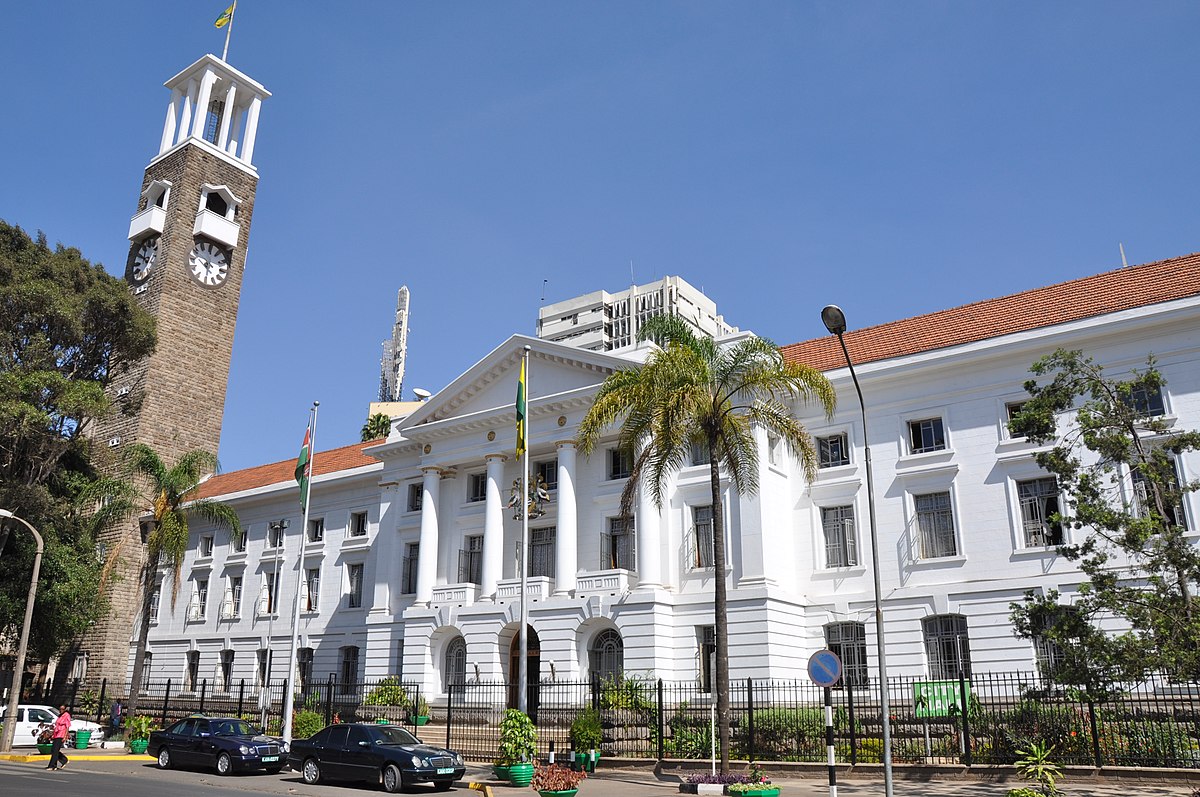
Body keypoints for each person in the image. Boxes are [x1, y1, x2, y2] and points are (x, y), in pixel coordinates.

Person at [46, 705, 71, 770]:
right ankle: (64, 760)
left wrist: (65, 736)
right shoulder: (60, 716)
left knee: (55, 750)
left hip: (61, 734)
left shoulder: (66, 715)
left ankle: (52, 766)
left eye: (62, 709)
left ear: (65, 709)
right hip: (57, 734)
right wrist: (52, 735)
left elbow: (67, 726)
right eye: (60, 709)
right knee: (53, 750)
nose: (61, 710)